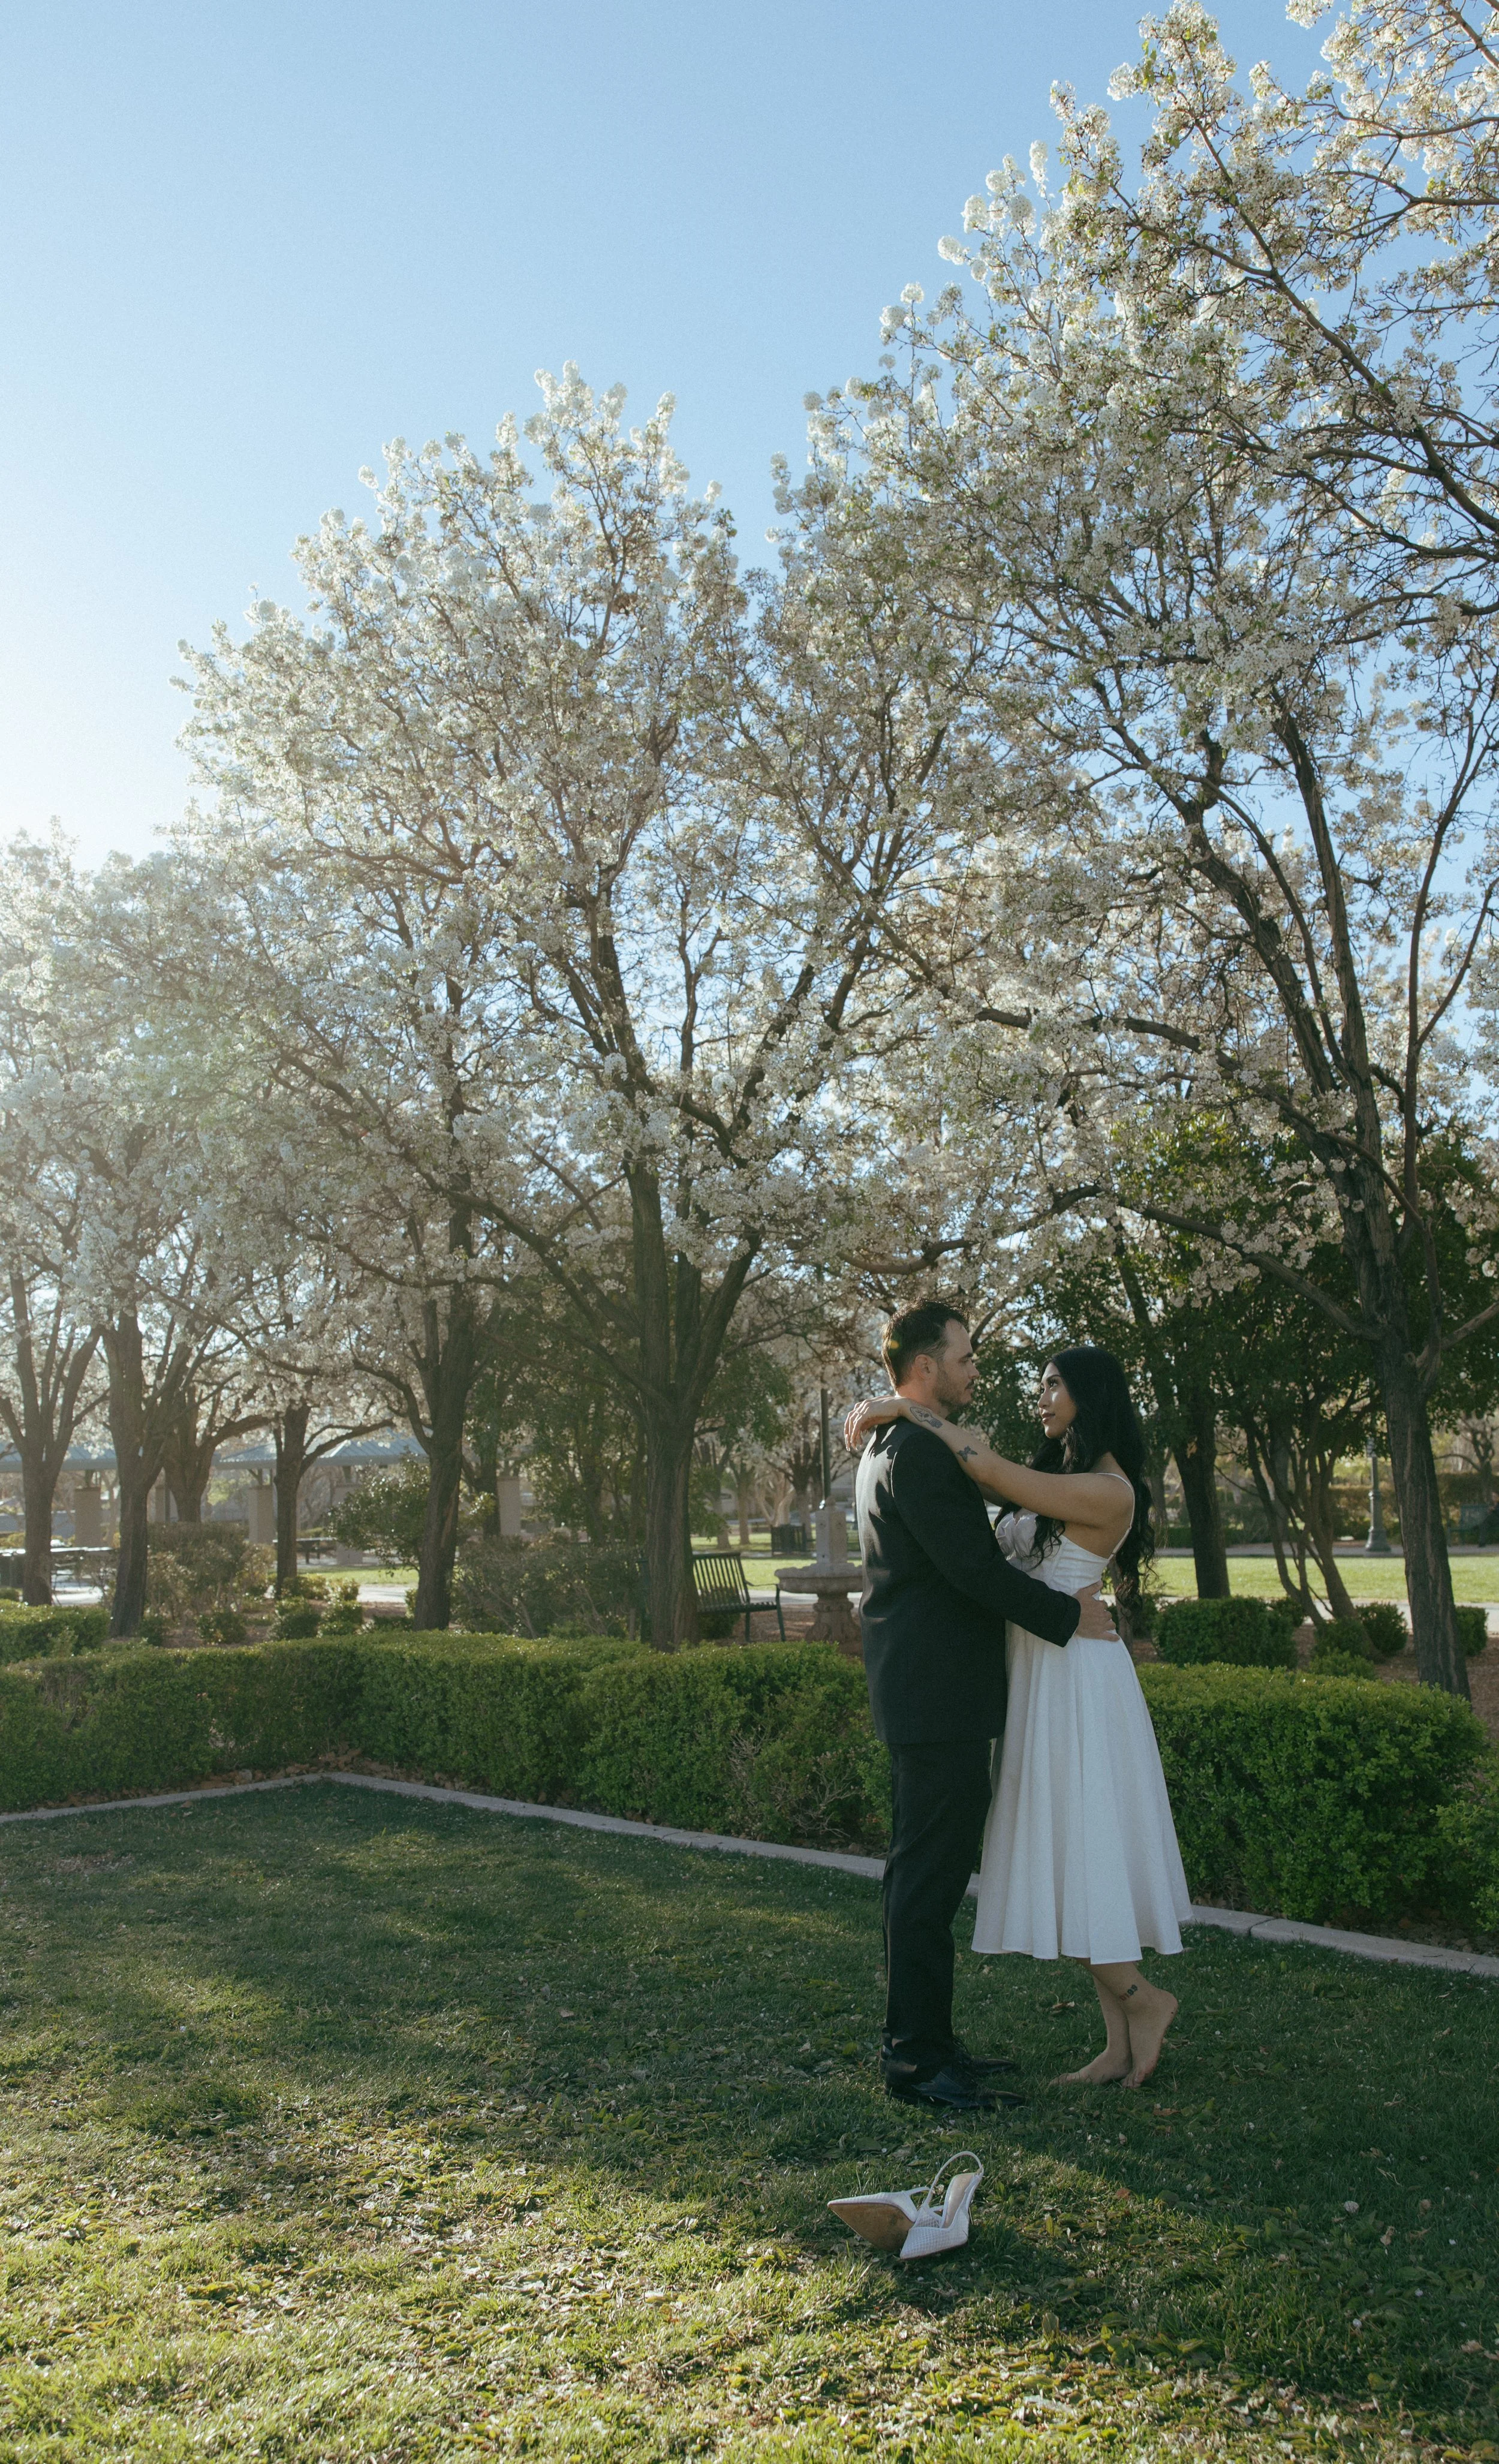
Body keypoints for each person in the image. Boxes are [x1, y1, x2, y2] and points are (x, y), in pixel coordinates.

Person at [846, 1343, 1190, 2092]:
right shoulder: (1063, 1477)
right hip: (1038, 1671)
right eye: (1040, 1382)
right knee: (1061, 1846)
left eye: (1053, 1383)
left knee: (1078, 1842)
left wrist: (905, 1407)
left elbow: (990, 1471)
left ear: (1090, 1394)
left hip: (1076, 1678)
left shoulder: (1107, 1489)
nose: (1040, 1395)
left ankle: (1144, 1999)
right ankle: (1117, 2039)